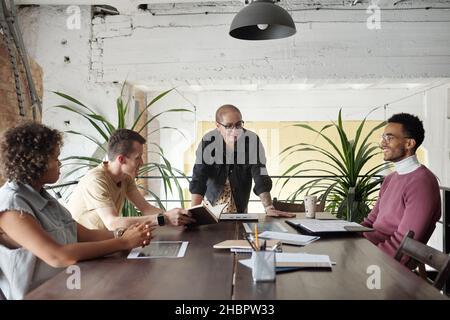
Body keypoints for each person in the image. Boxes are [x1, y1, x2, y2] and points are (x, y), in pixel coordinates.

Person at [0, 122, 152, 300]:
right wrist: (123, 242)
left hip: (67, 286)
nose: (60, 163)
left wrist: (127, 234)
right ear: (36, 161)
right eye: (55, 158)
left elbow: (85, 234)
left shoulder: (44, 197)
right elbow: (57, 256)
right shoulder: (11, 204)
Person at [68, 129, 194, 230]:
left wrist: (178, 218)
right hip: (84, 246)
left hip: (105, 240)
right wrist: (164, 218)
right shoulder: (96, 180)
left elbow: (145, 208)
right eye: (138, 158)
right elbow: (112, 223)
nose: (142, 162)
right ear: (121, 159)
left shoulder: (125, 177)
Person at [189, 104, 295, 217]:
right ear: (218, 126)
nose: (235, 131)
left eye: (238, 125)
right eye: (229, 126)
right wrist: (194, 212)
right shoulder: (208, 141)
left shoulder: (252, 141)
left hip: (239, 206)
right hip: (211, 205)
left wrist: (268, 207)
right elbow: (199, 176)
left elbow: (260, 174)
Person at [361, 113, 441, 260]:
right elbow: (370, 222)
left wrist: (363, 257)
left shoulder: (422, 183)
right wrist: (346, 238)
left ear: (409, 144)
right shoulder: (390, 179)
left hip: (385, 264)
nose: (382, 144)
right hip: (367, 251)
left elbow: (403, 244)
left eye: (389, 138)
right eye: (383, 137)